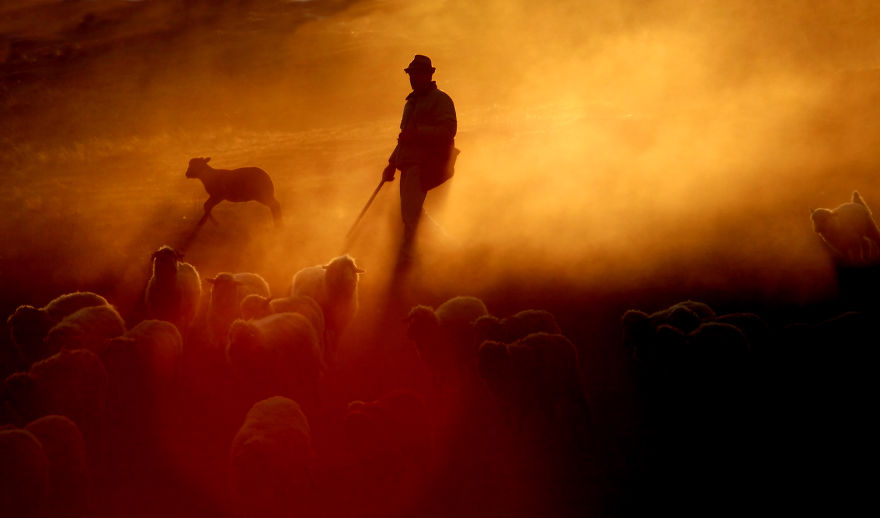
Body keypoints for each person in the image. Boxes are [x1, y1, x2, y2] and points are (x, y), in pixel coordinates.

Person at [383, 54, 457, 263]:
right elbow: (404, 138)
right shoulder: (412, 102)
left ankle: (409, 258)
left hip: (423, 165)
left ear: (428, 75)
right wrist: (391, 163)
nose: (413, 78)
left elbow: (448, 131)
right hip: (407, 165)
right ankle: (443, 244)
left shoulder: (441, 100)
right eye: (411, 74)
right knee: (413, 212)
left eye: (417, 74)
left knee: (410, 216)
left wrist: (418, 133)